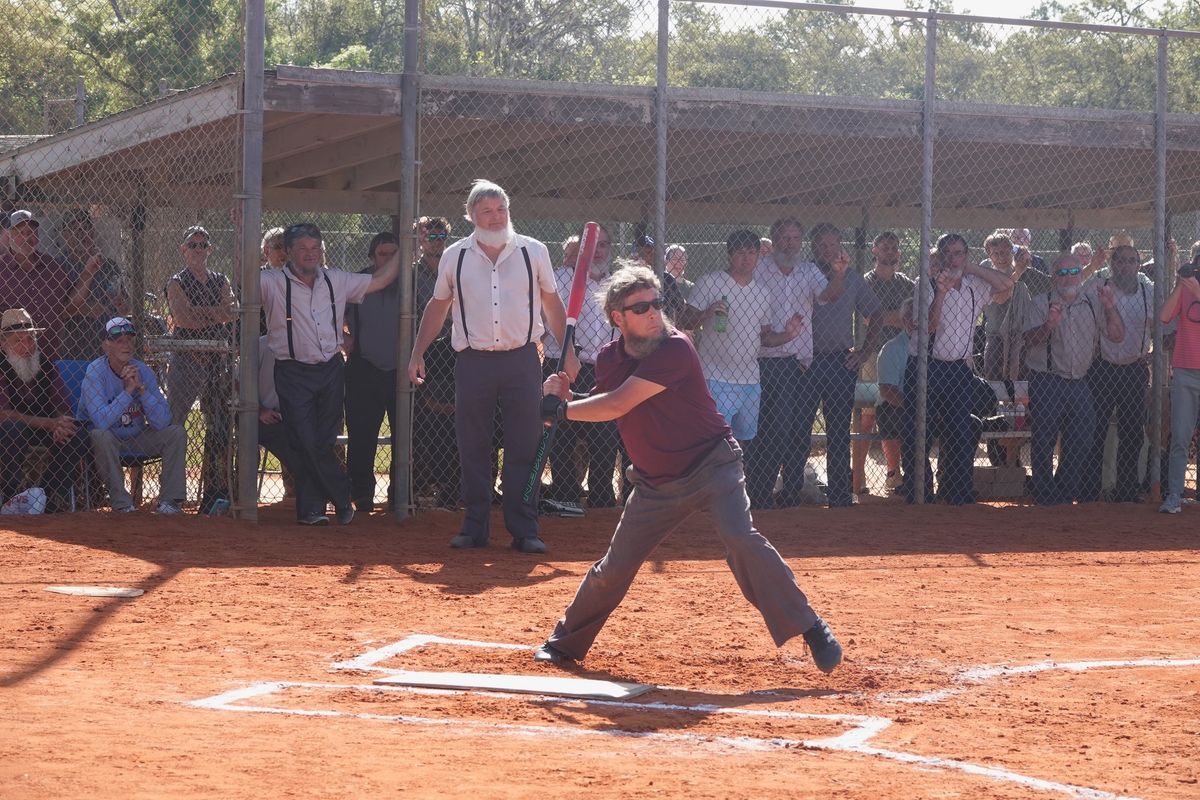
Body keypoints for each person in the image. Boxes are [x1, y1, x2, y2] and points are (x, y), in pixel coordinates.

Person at [531, 263, 842, 674]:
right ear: (617, 318)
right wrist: (570, 396)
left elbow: (621, 402)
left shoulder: (675, 348)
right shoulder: (609, 357)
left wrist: (563, 410)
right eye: (640, 308)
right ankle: (564, 642)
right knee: (616, 566)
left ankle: (811, 627)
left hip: (712, 466)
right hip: (656, 484)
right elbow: (605, 402)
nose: (653, 312)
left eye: (657, 303)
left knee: (740, 538)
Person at [408, 180, 578, 553]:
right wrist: (417, 351)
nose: (496, 216)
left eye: (501, 209)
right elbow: (438, 307)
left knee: (525, 443)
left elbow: (551, 303)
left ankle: (525, 529)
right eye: (487, 210)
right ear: (471, 215)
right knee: (473, 444)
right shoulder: (456, 255)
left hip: (522, 360)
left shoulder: (533, 251)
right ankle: (474, 528)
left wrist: (568, 352)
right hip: (473, 361)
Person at [261, 222, 401, 526]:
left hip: (330, 370)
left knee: (323, 441)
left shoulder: (335, 279)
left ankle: (312, 511)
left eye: (315, 248)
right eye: (302, 248)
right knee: (305, 440)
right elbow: (243, 276)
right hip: (293, 371)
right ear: (288, 252)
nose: (310, 254)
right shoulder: (271, 281)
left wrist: (408, 250)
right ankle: (341, 494)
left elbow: (379, 280)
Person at [901, 234, 1014, 505]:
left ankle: (955, 492)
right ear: (939, 257)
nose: (953, 259)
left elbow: (1007, 285)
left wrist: (971, 268)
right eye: (948, 254)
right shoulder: (925, 285)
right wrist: (941, 293)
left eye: (959, 253)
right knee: (918, 432)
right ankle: (920, 492)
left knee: (961, 431)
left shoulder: (974, 285)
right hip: (926, 366)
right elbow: (929, 325)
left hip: (959, 370)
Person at [744, 217, 842, 508]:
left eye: (795, 238)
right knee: (754, 430)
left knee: (784, 430)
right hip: (757, 359)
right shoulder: (759, 268)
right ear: (773, 241)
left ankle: (765, 494)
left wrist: (838, 273)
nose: (790, 243)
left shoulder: (809, 271)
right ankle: (749, 492)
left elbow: (829, 296)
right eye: (785, 238)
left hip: (792, 364)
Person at [685, 229, 803, 447]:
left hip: (750, 379)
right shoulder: (710, 282)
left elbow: (765, 338)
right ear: (730, 255)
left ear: (759, 256)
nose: (746, 258)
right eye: (740, 252)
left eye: (751, 252)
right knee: (716, 443)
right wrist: (706, 314)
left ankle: (739, 481)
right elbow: (684, 322)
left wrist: (789, 334)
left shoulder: (762, 293)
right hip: (716, 376)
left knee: (744, 442)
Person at [793, 223, 883, 508]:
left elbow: (876, 314)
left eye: (832, 245)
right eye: (821, 245)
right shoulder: (801, 274)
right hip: (805, 360)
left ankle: (841, 494)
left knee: (838, 430)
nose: (827, 250)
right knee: (799, 428)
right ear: (812, 247)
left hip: (840, 360)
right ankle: (795, 490)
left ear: (840, 246)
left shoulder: (854, 278)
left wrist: (865, 351)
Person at [1023, 253, 1124, 506]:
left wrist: (1111, 306)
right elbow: (1029, 341)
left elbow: (1117, 335)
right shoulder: (1040, 302)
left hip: (1080, 380)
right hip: (1047, 379)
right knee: (1044, 437)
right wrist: (1049, 325)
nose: (1069, 279)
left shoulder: (1091, 303)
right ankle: (1045, 494)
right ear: (1053, 276)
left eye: (1074, 272)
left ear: (1081, 274)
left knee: (1083, 435)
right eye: (1063, 273)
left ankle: (1064, 490)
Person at [544, 224, 624, 508]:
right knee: (561, 432)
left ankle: (601, 495)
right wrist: (569, 357)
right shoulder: (562, 278)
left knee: (603, 435)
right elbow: (549, 320)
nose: (598, 250)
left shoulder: (618, 283)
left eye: (604, 245)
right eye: (592, 246)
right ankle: (565, 492)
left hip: (603, 367)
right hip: (562, 363)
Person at [164, 225, 238, 514]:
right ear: (183, 250)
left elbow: (232, 312)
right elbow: (183, 320)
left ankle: (214, 494)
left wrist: (200, 312)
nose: (198, 249)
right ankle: (172, 496)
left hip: (217, 360)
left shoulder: (220, 279)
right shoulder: (176, 281)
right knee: (175, 424)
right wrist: (213, 314)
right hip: (186, 359)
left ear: (210, 249)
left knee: (218, 425)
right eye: (192, 245)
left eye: (202, 245)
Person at [82, 316, 186, 514]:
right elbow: (101, 422)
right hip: (109, 439)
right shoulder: (95, 372)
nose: (126, 345)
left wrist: (142, 391)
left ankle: (169, 503)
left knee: (176, 433)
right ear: (106, 345)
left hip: (137, 437)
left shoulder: (143, 371)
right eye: (119, 341)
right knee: (100, 435)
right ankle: (122, 504)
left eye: (129, 340)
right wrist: (127, 392)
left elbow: (163, 422)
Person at [1082, 244, 1153, 503]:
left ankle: (1126, 490)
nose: (1126, 265)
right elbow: (1075, 291)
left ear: (1138, 264)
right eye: (1120, 261)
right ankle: (1089, 490)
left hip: (1134, 368)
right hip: (1103, 367)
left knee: (1132, 431)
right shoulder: (1099, 285)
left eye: (1132, 261)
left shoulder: (1148, 291)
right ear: (1112, 264)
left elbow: (1162, 323)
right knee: (1096, 430)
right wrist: (1091, 266)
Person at [0, 308, 89, 512]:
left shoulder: (48, 367)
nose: (27, 346)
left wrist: (61, 423)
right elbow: (3, 413)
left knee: (77, 435)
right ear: (3, 345)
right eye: (18, 341)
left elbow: (63, 406)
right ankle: (11, 496)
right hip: (11, 433)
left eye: (30, 339)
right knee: (12, 429)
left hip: (47, 431)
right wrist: (50, 424)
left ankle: (47, 496)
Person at [343, 232, 401, 513]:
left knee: (405, 436)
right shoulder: (359, 282)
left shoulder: (409, 283)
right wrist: (343, 339)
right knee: (362, 434)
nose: (388, 260)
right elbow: (328, 312)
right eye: (382, 254)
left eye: (393, 254)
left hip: (402, 371)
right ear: (372, 256)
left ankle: (399, 494)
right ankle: (362, 494)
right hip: (364, 367)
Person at [854, 231, 914, 494]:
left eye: (893, 247)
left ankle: (894, 473)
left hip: (901, 353)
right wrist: (896, 318)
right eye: (884, 247)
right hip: (871, 353)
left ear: (898, 253)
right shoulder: (866, 281)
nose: (889, 251)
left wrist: (886, 317)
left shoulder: (906, 284)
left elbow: (913, 317)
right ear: (874, 251)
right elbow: (869, 318)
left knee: (894, 411)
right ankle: (858, 477)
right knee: (867, 417)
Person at [410, 216, 460, 510]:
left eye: (441, 235)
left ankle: (451, 489)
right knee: (424, 422)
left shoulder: (453, 268)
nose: (435, 240)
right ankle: (418, 486)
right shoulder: (413, 274)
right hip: (423, 352)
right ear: (419, 238)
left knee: (452, 420)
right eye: (428, 234)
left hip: (450, 352)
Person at [1158, 242, 1200, 514]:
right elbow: (1163, 316)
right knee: (1180, 438)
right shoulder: (1187, 289)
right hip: (1185, 370)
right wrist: (1180, 283)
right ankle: (1174, 495)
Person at [0, 210, 72, 360]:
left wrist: (87, 274)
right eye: (20, 233)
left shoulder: (53, 267)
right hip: (10, 359)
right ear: (10, 236)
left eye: (31, 232)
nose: (27, 238)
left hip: (50, 355)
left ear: (38, 235)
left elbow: (70, 305)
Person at [60, 211, 131, 361]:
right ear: (65, 235)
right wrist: (86, 309)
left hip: (106, 345)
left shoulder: (109, 266)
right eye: (75, 228)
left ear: (92, 233)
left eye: (85, 227)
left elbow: (125, 309)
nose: (81, 233)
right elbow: (55, 311)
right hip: (70, 346)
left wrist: (120, 305)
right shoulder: (58, 266)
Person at [256, 335, 305, 501]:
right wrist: (260, 410)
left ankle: (306, 491)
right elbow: (237, 381)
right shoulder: (261, 344)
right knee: (287, 438)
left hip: (293, 415)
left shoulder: (305, 345)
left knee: (306, 437)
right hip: (263, 415)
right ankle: (312, 487)